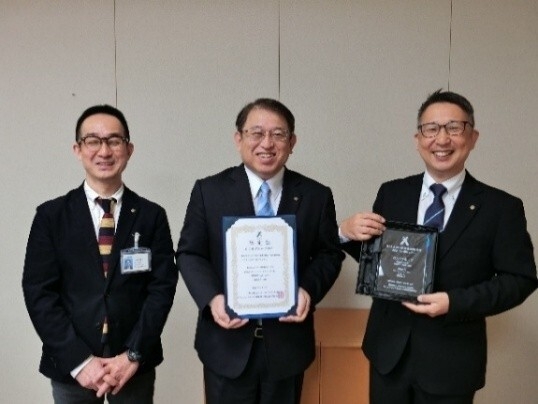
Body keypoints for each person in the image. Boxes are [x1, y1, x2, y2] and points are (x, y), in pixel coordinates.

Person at [340, 90, 537, 404]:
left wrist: (454, 302)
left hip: (452, 362)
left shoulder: (501, 207)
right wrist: (346, 233)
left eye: (454, 128)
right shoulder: (393, 193)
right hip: (388, 354)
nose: (441, 139)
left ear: (472, 137)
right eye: (431, 129)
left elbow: (520, 279)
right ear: (418, 139)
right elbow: (382, 262)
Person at [176, 98, 344, 404]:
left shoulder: (316, 195)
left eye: (278, 134)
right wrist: (212, 299)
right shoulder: (209, 191)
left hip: (287, 347)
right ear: (238, 139)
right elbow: (190, 253)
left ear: (292, 142)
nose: (267, 143)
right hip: (225, 346)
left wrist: (307, 290)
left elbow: (329, 254)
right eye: (256, 133)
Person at [22, 105, 178, 403]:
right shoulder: (51, 216)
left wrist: (132, 355)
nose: (104, 151)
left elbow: (162, 288)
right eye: (93, 141)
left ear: (129, 150)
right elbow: (39, 293)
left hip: (133, 365)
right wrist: (79, 362)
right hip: (72, 366)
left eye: (114, 141)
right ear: (78, 149)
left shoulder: (151, 216)